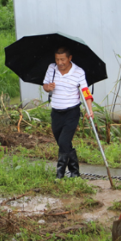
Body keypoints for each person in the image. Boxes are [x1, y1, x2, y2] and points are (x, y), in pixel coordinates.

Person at [43, 47, 94, 179]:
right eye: (57, 59)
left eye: (62, 59)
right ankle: (75, 172)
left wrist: (90, 110)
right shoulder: (51, 68)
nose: (59, 62)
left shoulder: (78, 72)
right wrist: (48, 87)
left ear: (69, 58)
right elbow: (45, 85)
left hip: (72, 112)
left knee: (64, 141)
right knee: (62, 142)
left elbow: (85, 92)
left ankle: (59, 174)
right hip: (56, 112)